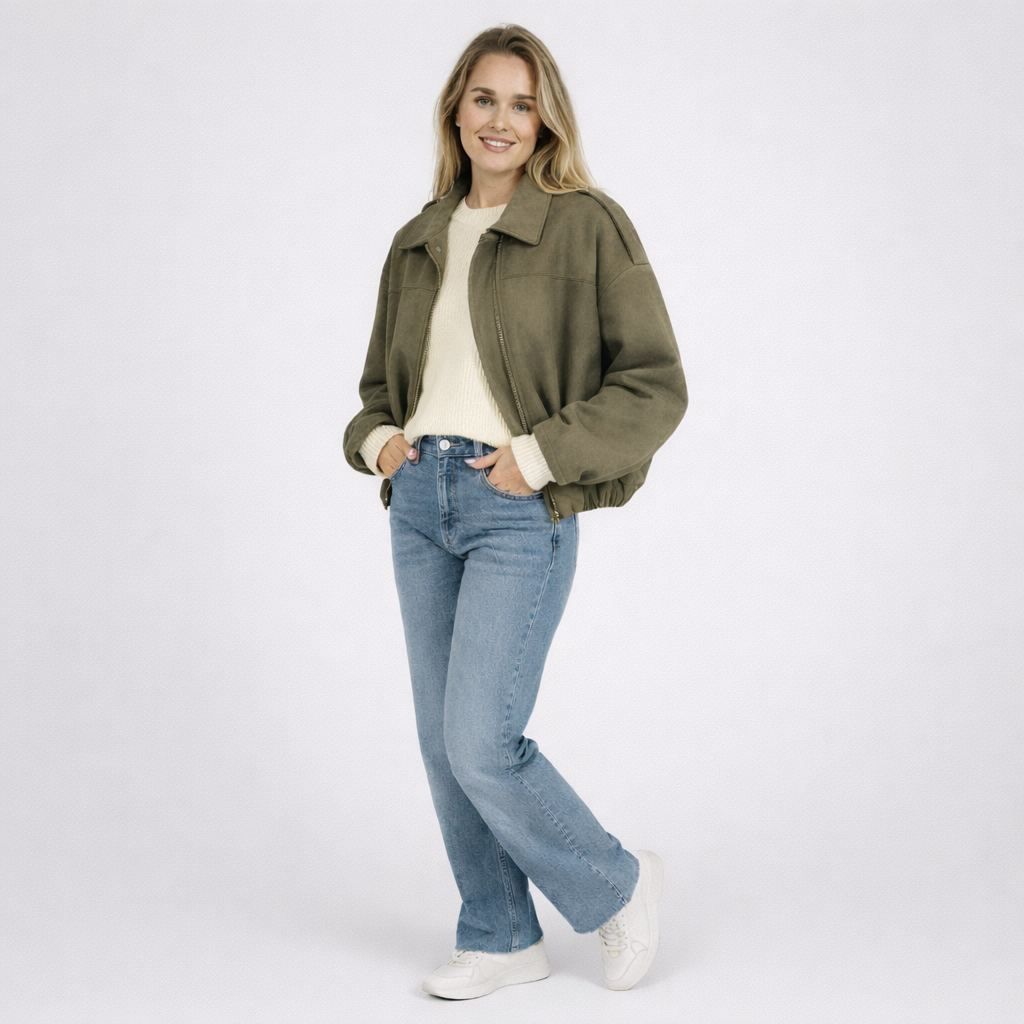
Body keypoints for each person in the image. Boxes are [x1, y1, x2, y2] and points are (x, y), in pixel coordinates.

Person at [343, 24, 687, 999]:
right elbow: (376, 394)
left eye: (522, 103)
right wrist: (379, 443)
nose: (500, 120)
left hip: (514, 506)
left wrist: (538, 457)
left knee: (480, 741)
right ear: (456, 109)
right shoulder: (418, 238)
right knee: (442, 743)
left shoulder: (585, 226)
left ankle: (618, 882)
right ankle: (498, 934)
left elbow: (655, 385)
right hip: (420, 503)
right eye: (485, 98)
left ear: (546, 122)